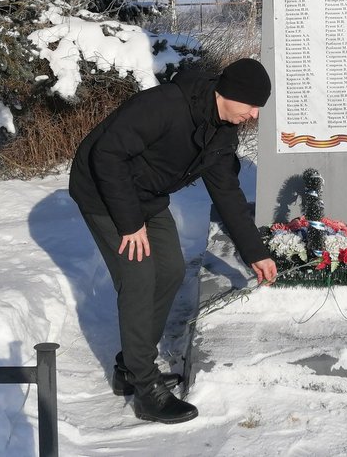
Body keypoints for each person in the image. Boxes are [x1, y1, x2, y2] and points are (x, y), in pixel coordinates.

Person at [69, 57, 279, 424]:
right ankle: (144, 386)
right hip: (103, 191)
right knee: (138, 276)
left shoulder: (221, 132)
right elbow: (107, 154)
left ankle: (129, 367)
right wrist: (130, 223)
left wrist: (255, 253)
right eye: (251, 105)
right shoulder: (166, 105)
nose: (254, 115)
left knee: (170, 270)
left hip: (145, 196)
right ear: (228, 93)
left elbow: (227, 195)